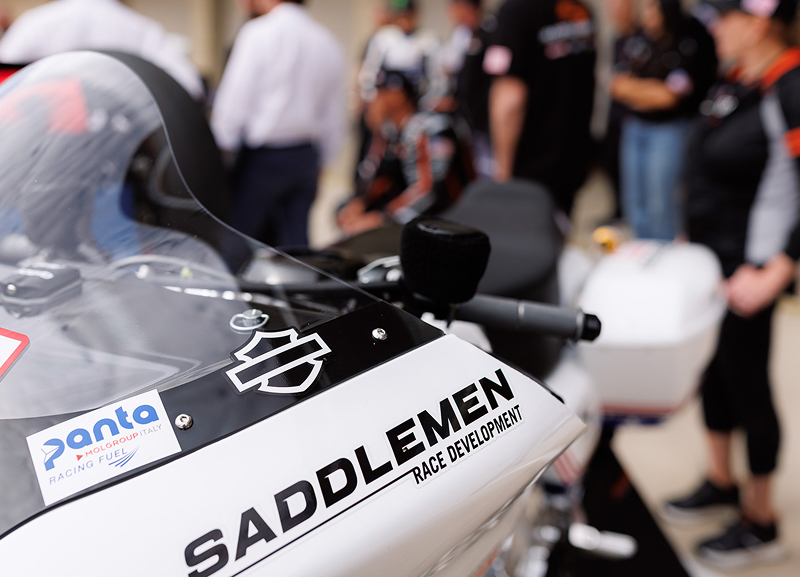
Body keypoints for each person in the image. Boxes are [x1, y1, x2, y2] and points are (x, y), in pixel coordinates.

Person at [664, 0, 800, 568]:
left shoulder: (790, 85)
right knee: (714, 375)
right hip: (710, 262)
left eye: (726, 17)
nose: (715, 28)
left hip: (751, 268)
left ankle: (761, 520)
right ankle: (721, 481)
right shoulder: (737, 79)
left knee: (748, 385)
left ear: (759, 22)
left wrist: (780, 267)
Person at [211, 0, 346, 248]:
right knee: (295, 246)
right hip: (305, 156)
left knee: (239, 241)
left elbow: (234, 103)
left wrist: (222, 151)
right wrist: (323, 163)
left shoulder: (258, 33)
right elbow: (333, 115)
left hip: (263, 159)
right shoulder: (326, 40)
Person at [611, 0, 718, 240]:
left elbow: (668, 97)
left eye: (653, 8)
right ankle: (641, 249)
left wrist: (636, 91)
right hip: (635, 126)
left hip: (669, 129)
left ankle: (663, 253)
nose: (647, 14)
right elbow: (617, 85)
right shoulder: (640, 39)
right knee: (634, 201)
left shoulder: (688, 39)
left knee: (661, 204)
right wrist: (650, 92)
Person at [484, 0, 596, 217]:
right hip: (574, 155)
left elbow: (510, 97)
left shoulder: (516, 11)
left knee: (525, 233)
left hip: (531, 165)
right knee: (560, 227)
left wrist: (502, 172)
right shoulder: (581, 9)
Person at [338, 68, 469, 236]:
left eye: (380, 93)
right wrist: (361, 203)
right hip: (411, 215)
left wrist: (382, 219)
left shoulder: (429, 128)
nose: (371, 100)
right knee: (343, 210)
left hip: (448, 220)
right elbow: (382, 178)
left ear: (397, 96)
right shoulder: (390, 131)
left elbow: (428, 192)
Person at [0, 0, 202, 100]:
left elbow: (5, 84)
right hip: (122, 146)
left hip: (44, 148)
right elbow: (191, 87)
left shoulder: (33, 25)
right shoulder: (141, 30)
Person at [441, 0, 496, 179]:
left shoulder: (491, 31)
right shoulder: (464, 35)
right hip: (469, 114)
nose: (452, 13)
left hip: (488, 115)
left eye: (456, 7)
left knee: (491, 167)